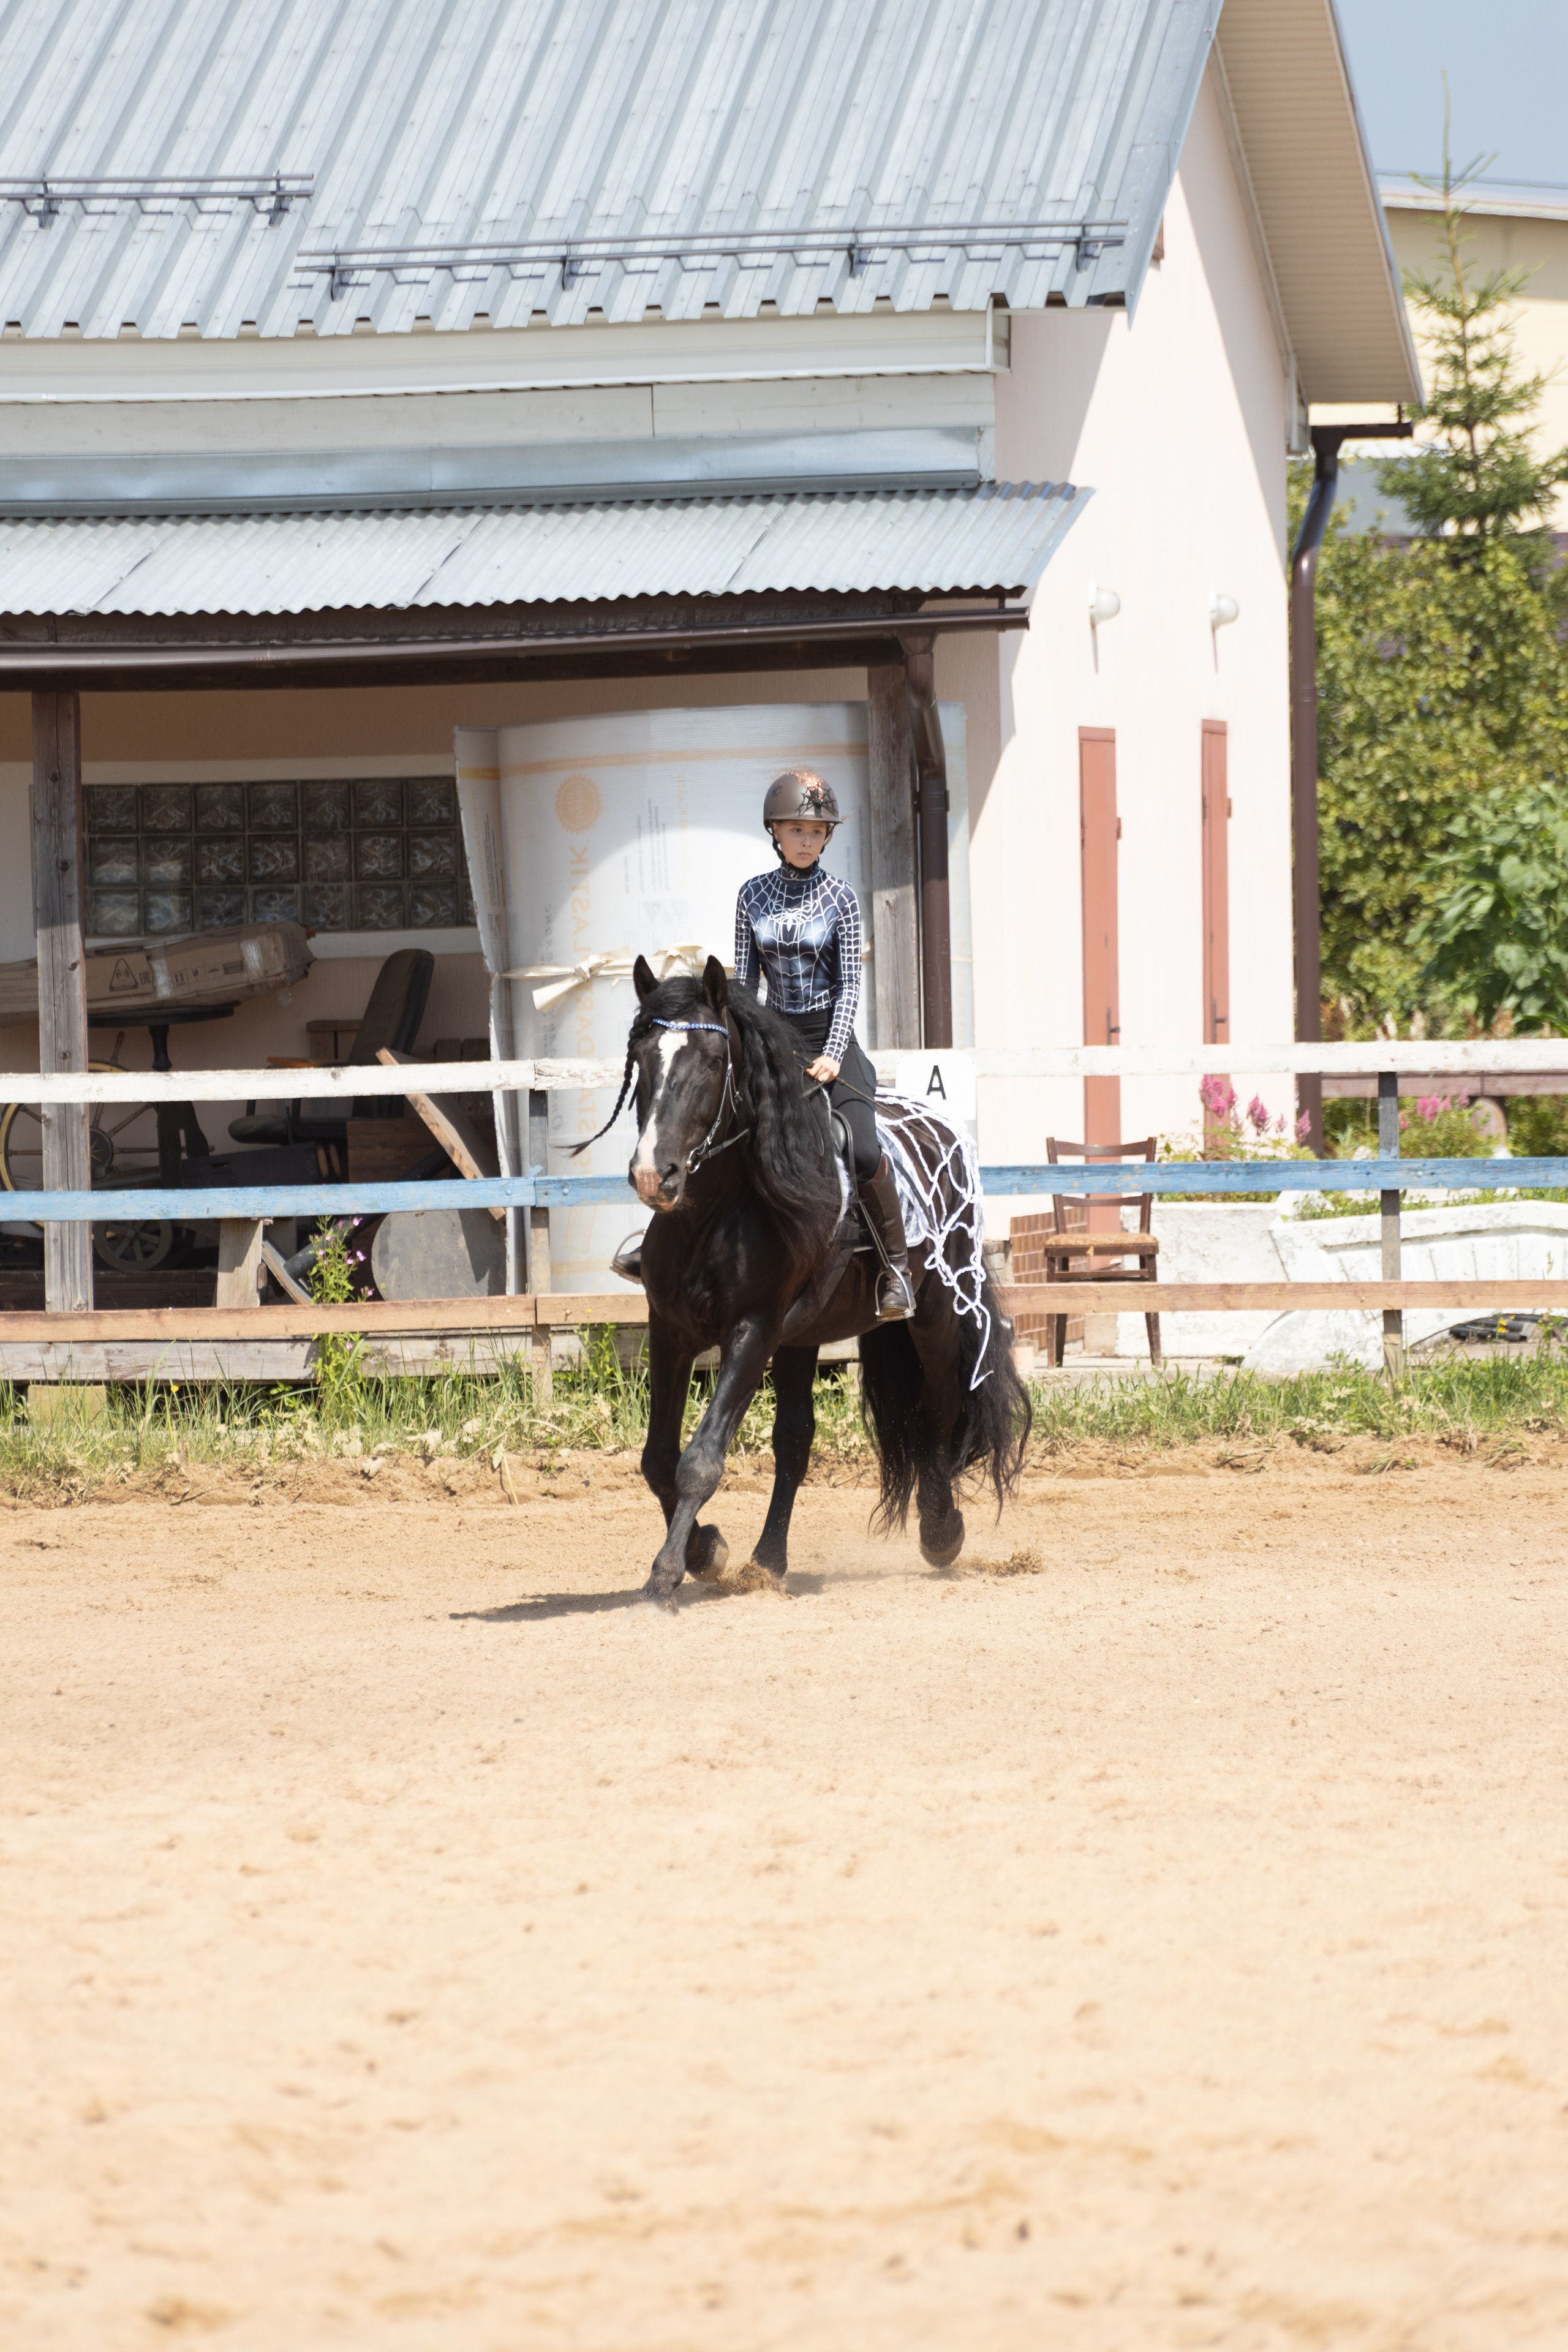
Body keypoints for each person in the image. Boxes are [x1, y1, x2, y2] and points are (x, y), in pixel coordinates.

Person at [733, 770, 915, 1319]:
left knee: (859, 1149)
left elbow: (850, 984)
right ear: (775, 831)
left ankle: (895, 1269)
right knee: (723, 1132)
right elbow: (745, 984)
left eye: (817, 829)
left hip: (831, 1038)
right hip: (774, 1039)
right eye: (797, 828)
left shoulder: (842, 898)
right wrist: (749, 1051)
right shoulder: (750, 896)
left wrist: (834, 1053)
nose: (808, 838)